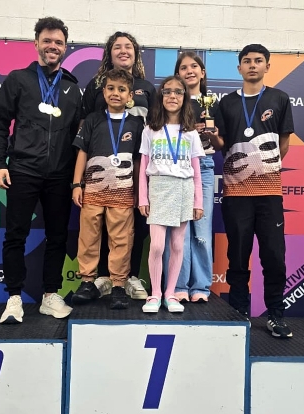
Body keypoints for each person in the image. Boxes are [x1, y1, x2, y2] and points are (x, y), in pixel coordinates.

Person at [0, 17, 82, 324]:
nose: (53, 46)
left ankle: (50, 295)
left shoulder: (72, 88)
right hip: (23, 170)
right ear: (36, 44)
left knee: (57, 237)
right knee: (16, 235)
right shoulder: (18, 80)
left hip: (60, 175)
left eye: (58, 42)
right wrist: (0, 163)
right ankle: (14, 298)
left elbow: (79, 137)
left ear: (65, 47)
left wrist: (76, 178)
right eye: (47, 41)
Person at [209, 44, 294, 338]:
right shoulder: (226, 103)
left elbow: (283, 143)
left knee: (274, 257)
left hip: (269, 193)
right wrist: (212, 138)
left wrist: (263, 168)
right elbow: (221, 144)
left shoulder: (279, 98)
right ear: (239, 68)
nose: (253, 65)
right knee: (237, 256)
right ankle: (239, 314)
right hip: (236, 193)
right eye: (247, 61)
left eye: (258, 61)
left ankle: (275, 315)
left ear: (267, 66)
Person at [81, 32, 156, 301]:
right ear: (109, 53)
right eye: (117, 47)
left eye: (128, 47)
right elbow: (85, 121)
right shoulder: (95, 85)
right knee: (98, 225)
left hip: (133, 167)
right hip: (101, 172)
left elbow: (155, 126)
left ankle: (128, 277)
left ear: (136, 53)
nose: (123, 51)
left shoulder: (147, 87)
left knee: (132, 225)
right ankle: (102, 277)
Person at [70, 69, 144, 309]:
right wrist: (77, 184)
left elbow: (138, 161)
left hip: (123, 192)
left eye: (122, 90)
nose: (115, 93)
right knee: (88, 237)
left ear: (130, 95)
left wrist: (139, 191)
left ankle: (119, 285)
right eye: (111, 88)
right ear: (103, 92)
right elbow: (82, 153)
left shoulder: (136, 123)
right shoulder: (93, 120)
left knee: (121, 239)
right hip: (92, 190)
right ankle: (87, 281)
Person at [138, 75, 205, 313]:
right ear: (161, 96)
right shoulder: (150, 130)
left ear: (185, 97)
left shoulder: (191, 133)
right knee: (157, 246)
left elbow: (197, 172)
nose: (172, 96)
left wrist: (198, 202)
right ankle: (155, 293)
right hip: (158, 187)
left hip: (183, 188)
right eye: (167, 91)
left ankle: (170, 293)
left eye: (178, 92)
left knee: (177, 245)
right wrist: (142, 197)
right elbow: (143, 167)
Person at [163, 51, 218, 303]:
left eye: (194, 66)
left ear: (202, 72)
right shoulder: (173, 102)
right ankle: (178, 285)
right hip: (177, 169)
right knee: (178, 232)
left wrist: (211, 134)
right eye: (183, 68)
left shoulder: (213, 103)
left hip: (204, 166)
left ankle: (202, 287)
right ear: (178, 74)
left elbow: (221, 143)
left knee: (202, 231)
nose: (189, 71)